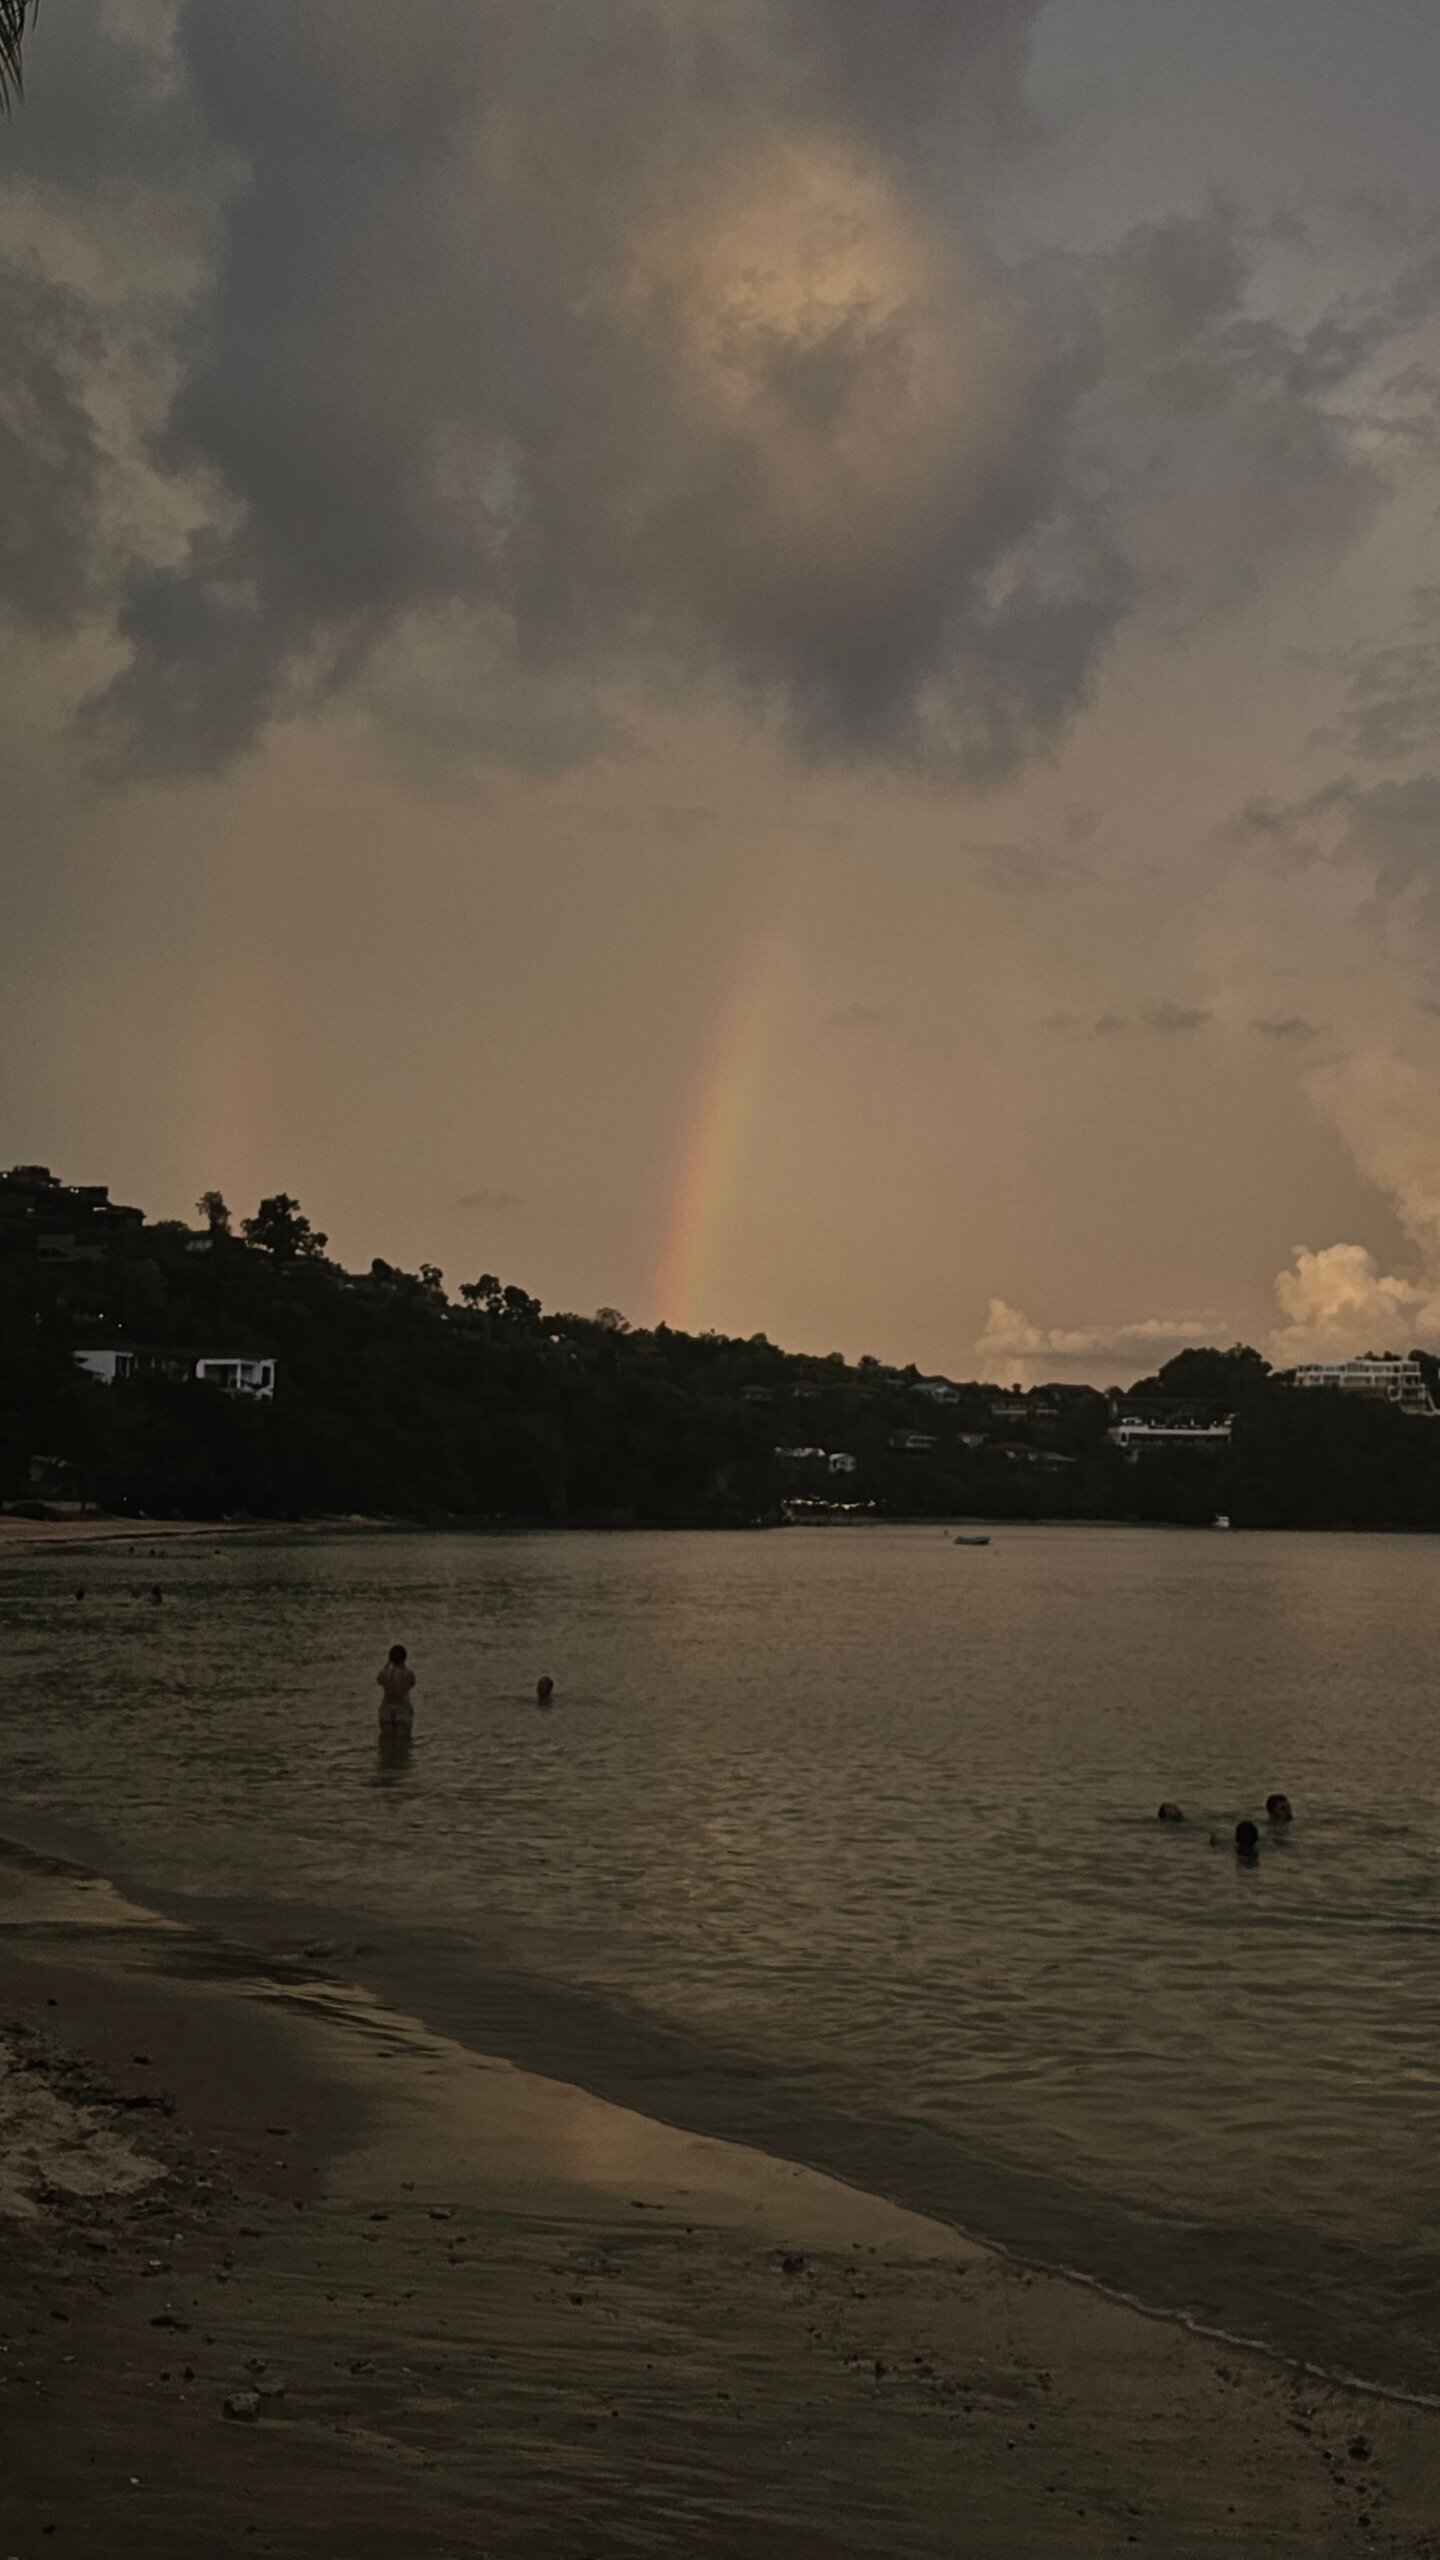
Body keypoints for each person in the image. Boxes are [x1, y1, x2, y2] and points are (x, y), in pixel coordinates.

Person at [377, 1644, 417, 1738]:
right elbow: (412, 1684)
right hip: (403, 1707)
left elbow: (379, 1680)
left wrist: (387, 1664)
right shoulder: (408, 1673)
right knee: (404, 1740)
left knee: (386, 1739)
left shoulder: (384, 1672)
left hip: (387, 1707)